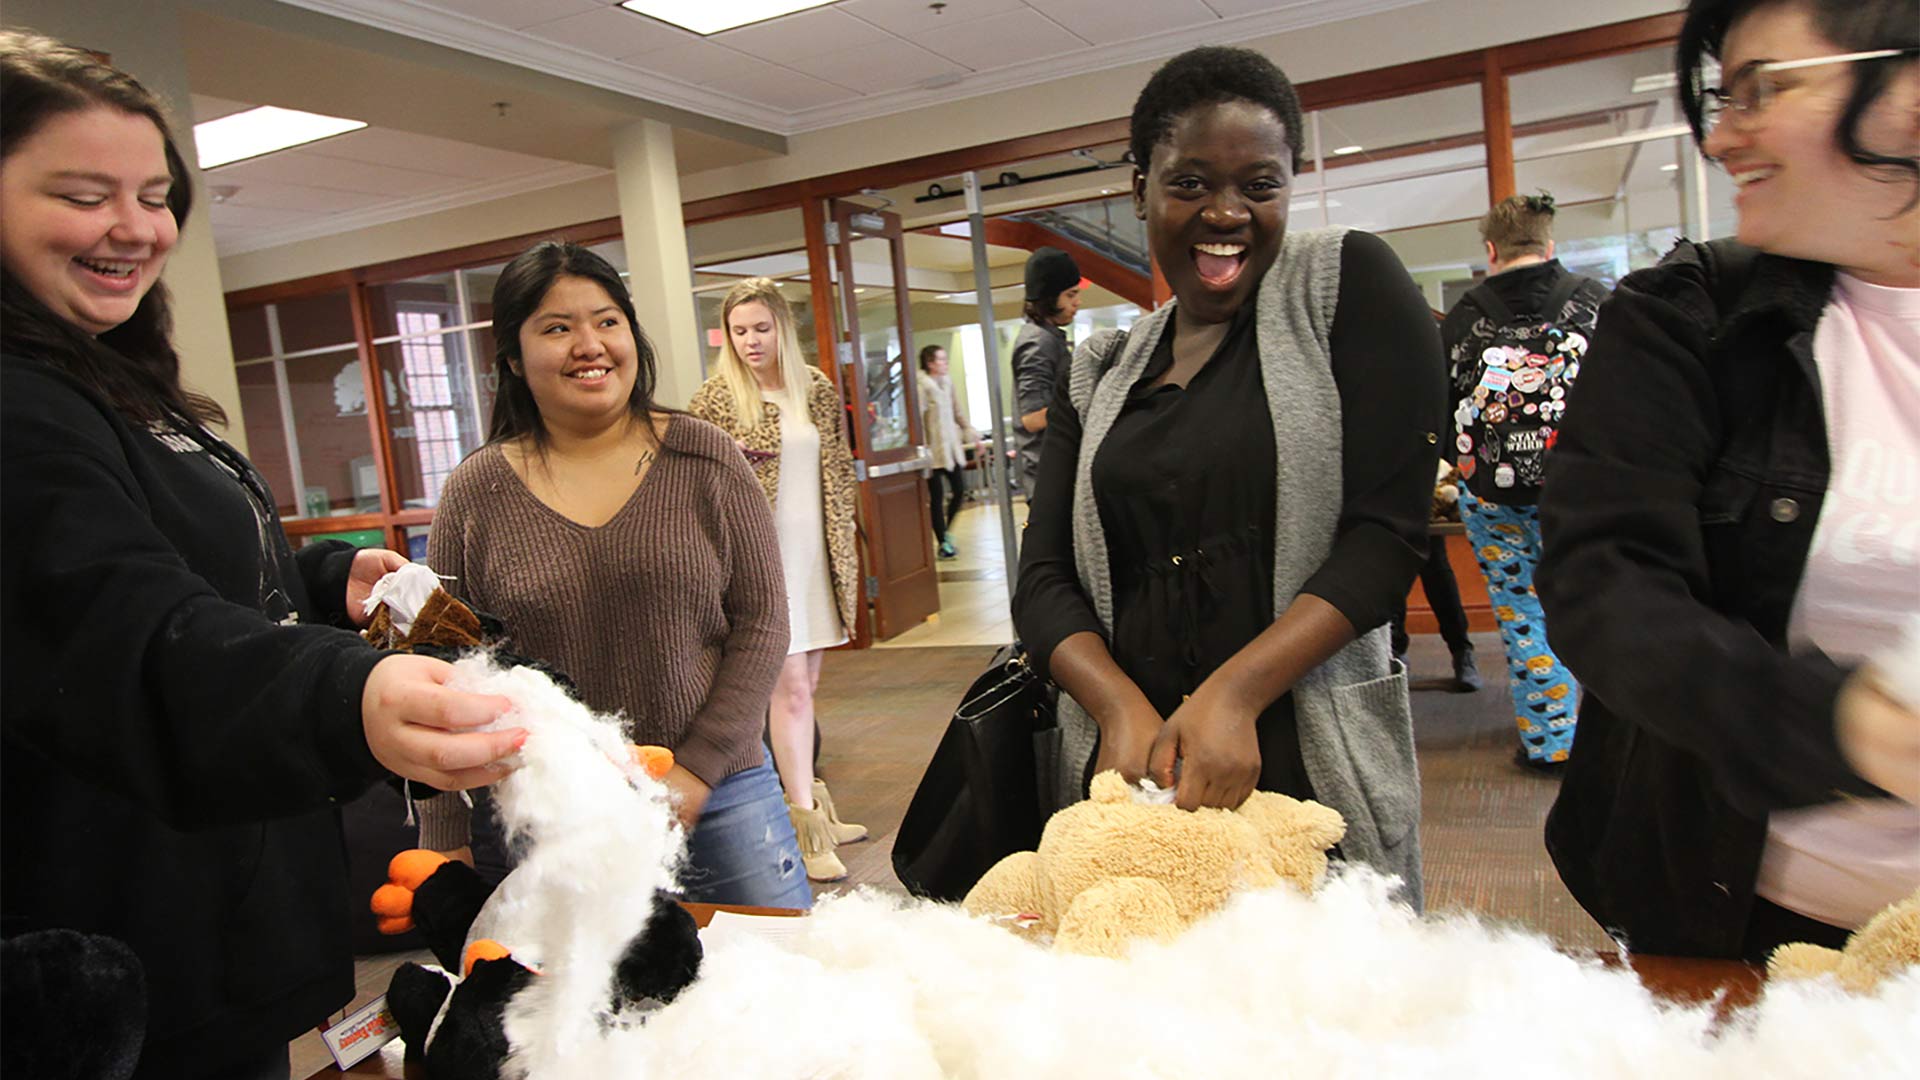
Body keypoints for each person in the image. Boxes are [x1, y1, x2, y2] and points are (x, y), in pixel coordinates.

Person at [0, 31, 523, 1079]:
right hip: (104, 955)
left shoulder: (108, 375)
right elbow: (126, 626)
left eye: (154, 195)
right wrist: (350, 695)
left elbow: (178, 560)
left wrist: (325, 580)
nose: (135, 228)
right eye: (83, 193)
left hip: (224, 908)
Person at [1012, 45, 1445, 908]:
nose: (1226, 212)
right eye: (1190, 184)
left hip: (1302, 752)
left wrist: (1233, 697)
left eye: (1260, 185)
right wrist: (1117, 709)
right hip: (1134, 770)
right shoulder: (1098, 369)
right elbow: (1045, 578)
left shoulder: (1344, 288)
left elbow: (1386, 536)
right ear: (1140, 188)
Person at [1538, 0, 1920, 960]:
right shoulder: (1692, 316)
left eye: (1763, 88)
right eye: (1721, 95)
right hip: (1744, 922)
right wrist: (1857, 728)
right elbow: (1606, 588)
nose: (1720, 136)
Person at [421, 246, 814, 907]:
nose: (589, 345)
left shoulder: (703, 457)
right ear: (513, 358)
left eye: (607, 321)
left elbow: (763, 623)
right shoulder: (475, 491)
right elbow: (443, 660)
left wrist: (695, 770)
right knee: (572, 1006)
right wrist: (441, 827)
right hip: (546, 811)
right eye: (556, 327)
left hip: (718, 791)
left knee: (769, 991)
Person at [687, 277, 864, 883]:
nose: (750, 341)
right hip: (762, 566)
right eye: (738, 331)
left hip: (816, 556)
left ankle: (813, 802)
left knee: (806, 686)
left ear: (782, 328)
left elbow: (836, 474)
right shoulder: (714, 400)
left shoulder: (813, 388)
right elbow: (686, 487)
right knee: (787, 692)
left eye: (761, 328)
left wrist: (847, 551)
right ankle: (804, 827)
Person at [1440, 193, 1608, 768]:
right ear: (1549, 245)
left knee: (1521, 612)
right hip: (1584, 490)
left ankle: (1550, 742)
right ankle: (1616, 741)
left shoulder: (1464, 316)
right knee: (1602, 604)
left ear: (1491, 250)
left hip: (1492, 495)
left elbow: (1442, 413)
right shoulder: (1593, 302)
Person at [1012, 246, 1083, 498]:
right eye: (1070, 295)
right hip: (1049, 479)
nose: (1077, 302)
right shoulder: (1038, 343)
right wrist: (1088, 402)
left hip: (1057, 472)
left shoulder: (1048, 339)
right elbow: (1031, 419)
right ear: (1049, 297)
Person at [918, 343, 982, 559]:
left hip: (951, 450)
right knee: (936, 498)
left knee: (960, 491)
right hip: (933, 452)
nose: (945, 364)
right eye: (941, 360)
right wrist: (923, 446)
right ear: (930, 363)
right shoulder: (923, 386)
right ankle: (943, 542)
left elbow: (957, 412)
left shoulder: (947, 383)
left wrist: (971, 433)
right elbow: (919, 418)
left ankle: (946, 533)